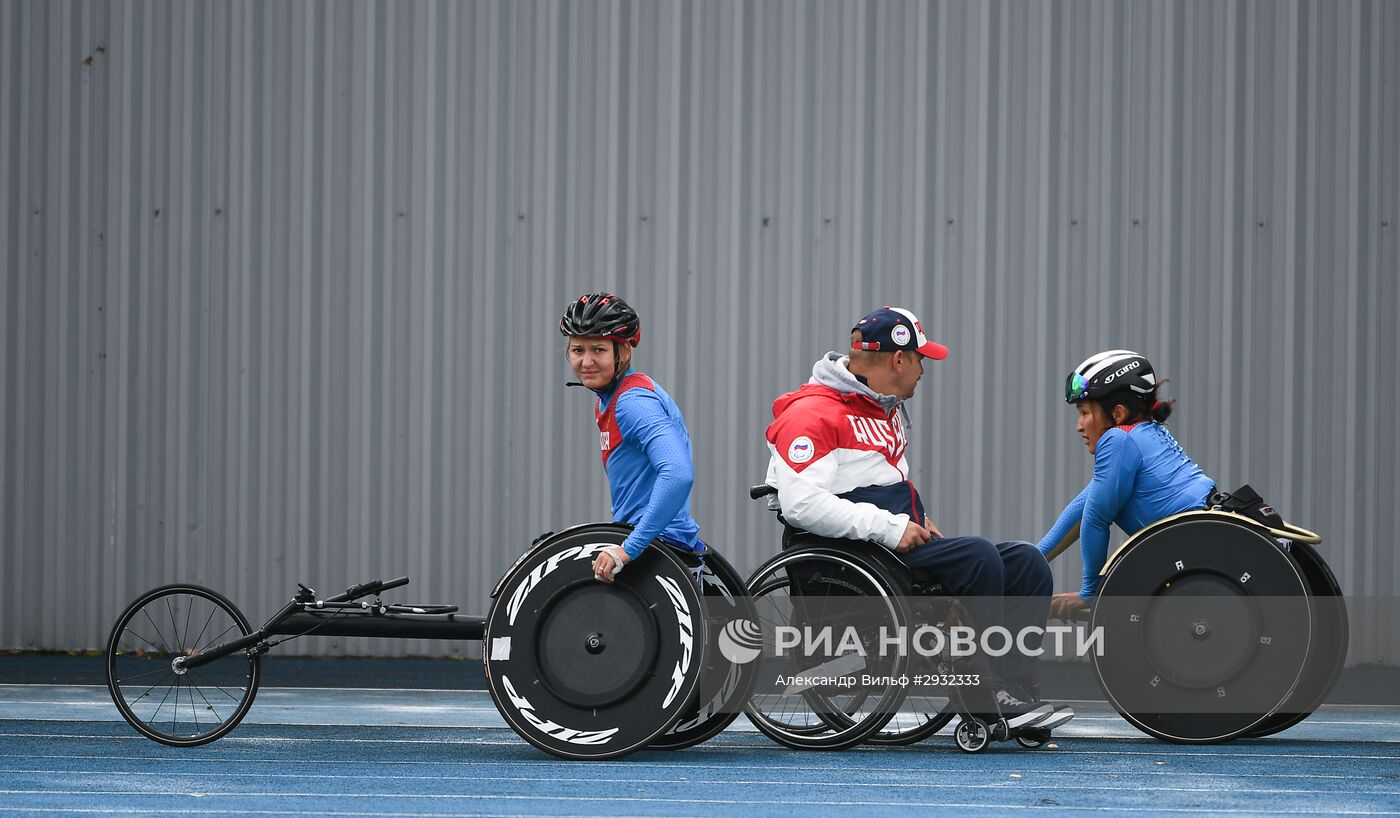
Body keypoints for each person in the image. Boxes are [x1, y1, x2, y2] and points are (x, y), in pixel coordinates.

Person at [763, 306, 1072, 732]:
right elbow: (801, 505)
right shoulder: (812, 413)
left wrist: (921, 520)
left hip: (890, 546)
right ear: (899, 359)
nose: (924, 369)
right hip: (852, 554)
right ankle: (987, 696)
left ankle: (1016, 689)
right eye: (922, 358)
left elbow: (886, 481)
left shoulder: (880, 410)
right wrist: (892, 528)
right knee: (980, 557)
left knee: (1025, 560)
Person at [1038, 350, 1216, 619]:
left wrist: (1088, 593)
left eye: (1084, 412)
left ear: (1118, 414)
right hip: (1208, 536)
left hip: (1194, 552)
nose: (1079, 425)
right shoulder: (1146, 432)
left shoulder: (1117, 439)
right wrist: (1028, 563)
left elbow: (1096, 520)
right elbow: (1083, 508)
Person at [558, 292, 707, 583]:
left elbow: (678, 473)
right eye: (578, 350)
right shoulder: (609, 398)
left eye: (598, 350)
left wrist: (628, 549)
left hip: (658, 550)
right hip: (652, 543)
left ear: (624, 352)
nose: (586, 361)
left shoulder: (632, 403)